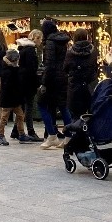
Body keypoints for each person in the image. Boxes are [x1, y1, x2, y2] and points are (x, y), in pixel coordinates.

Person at [38, 18, 72, 149]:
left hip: (52, 80)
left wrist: (44, 83)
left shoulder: (50, 43)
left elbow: (49, 65)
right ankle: (69, 136)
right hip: (62, 78)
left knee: (42, 104)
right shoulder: (62, 41)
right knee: (63, 107)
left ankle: (52, 135)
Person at [12, 32, 42, 140]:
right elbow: (31, 69)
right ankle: (30, 131)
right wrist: (37, 82)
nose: (41, 41)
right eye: (40, 39)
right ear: (36, 38)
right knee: (28, 107)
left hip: (22, 82)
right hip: (28, 83)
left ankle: (15, 130)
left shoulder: (23, 49)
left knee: (23, 107)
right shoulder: (30, 51)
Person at [0, 48, 29, 145]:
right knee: (4, 117)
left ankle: (22, 134)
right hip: (8, 98)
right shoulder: (9, 71)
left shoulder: (12, 69)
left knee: (20, 115)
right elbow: (10, 86)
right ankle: (0, 136)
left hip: (14, 98)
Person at [64, 28, 99, 120]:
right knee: (91, 112)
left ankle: (77, 131)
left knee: (75, 114)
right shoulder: (93, 51)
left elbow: (66, 68)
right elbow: (95, 67)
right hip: (89, 85)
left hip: (75, 85)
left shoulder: (70, 53)